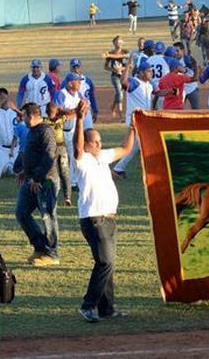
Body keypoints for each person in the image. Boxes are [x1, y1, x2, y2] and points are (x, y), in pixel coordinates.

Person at [73, 99, 134, 322]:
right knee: (105, 262)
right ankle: (88, 306)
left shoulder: (104, 156)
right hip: (93, 219)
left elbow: (127, 149)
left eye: (100, 142)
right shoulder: (82, 160)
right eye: (96, 142)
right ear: (88, 144)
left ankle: (107, 309)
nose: (99, 145)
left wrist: (133, 127)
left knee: (109, 264)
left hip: (109, 218)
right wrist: (80, 120)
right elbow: (77, 147)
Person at [15, 102, 60, 266]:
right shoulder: (32, 131)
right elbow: (32, 154)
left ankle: (52, 253)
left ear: (32, 115)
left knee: (48, 216)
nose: (22, 118)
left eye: (24, 115)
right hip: (30, 180)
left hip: (45, 182)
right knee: (21, 213)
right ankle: (40, 247)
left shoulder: (46, 131)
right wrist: (25, 173)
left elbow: (49, 158)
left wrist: (37, 179)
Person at [113, 61, 154, 178]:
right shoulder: (135, 82)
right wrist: (128, 68)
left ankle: (118, 168)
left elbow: (157, 92)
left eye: (151, 71)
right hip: (135, 119)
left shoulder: (149, 85)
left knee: (134, 146)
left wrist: (170, 91)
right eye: (148, 71)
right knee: (143, 144)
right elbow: (123, 83)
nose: (150, 73)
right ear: (141, 73)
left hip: (145, 119)